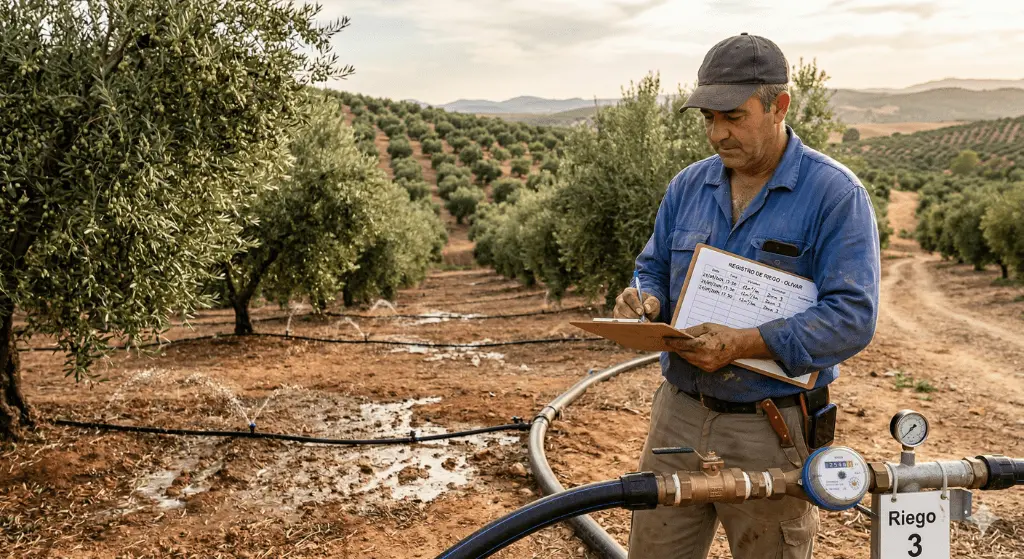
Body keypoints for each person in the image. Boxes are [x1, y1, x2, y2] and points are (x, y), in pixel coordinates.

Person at [616, 34, 880, 558]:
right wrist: (644, 301)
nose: (718, 133)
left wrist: (744, 342)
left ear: (779, 105)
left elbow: (852, 317)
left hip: (772, 427)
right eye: (708, 119)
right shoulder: (687, 187)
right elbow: (651, 269)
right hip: (678, 415)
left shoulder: (835, 195)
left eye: (733, 117)